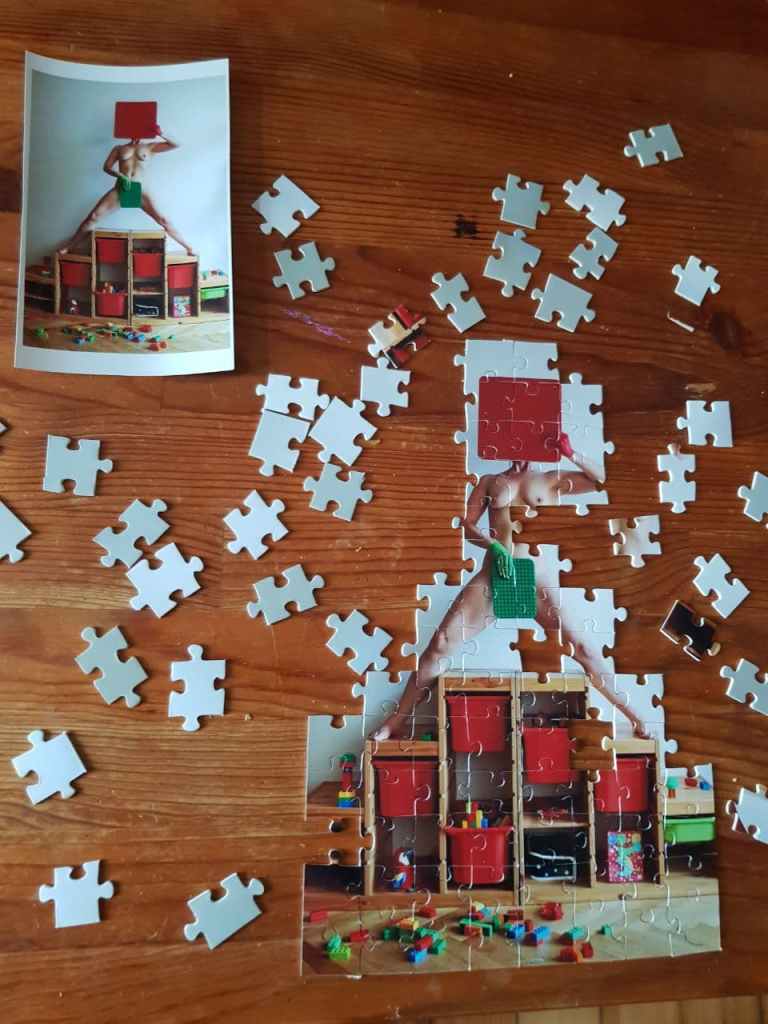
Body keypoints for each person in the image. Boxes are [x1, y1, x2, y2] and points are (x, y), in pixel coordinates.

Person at [375, 433, 648, 740]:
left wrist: (570, 453)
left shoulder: (552, 479)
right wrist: (493, 546)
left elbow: (604, 481)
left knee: (583, 649)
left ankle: (636, 717)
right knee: (440, 643)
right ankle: (395, 722)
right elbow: (466, 525)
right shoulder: (490, 481)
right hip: (495, 573)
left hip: (537, 578)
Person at [59, 127, 194, 254]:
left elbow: (176, 144)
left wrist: (161, 132)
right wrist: (120, 175)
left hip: (140, 190)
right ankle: (69, 246)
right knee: (94, 217)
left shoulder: (150, 147)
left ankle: (188, 247)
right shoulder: (119, 148)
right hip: (121, 188)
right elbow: (107, 167)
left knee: (163, 220)